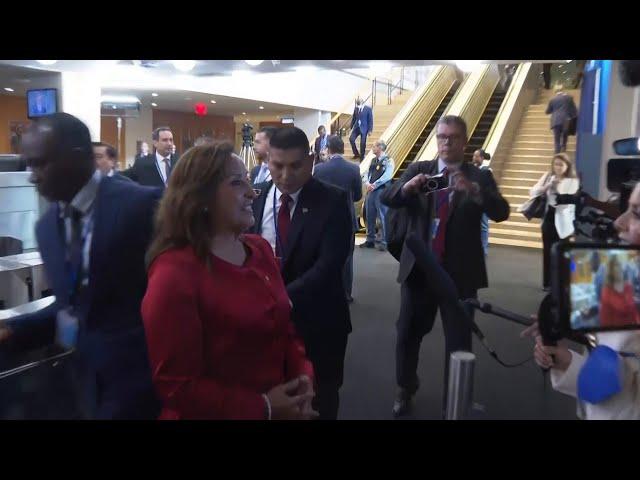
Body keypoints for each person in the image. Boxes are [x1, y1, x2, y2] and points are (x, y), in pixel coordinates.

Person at [0, 113, 161, 419]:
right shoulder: (47, 228)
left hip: (146, 383)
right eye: (28, 164)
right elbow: (75, 307)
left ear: (77, 157)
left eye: (40, 163)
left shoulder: (140, 205)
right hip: (86, 387)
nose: (32, 175)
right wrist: (12, 330)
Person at [141, 143, 316, 420]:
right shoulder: (173, 274)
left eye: (248, 180)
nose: (251, 192)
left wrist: (302, 377)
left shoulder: (259, 250)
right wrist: (264, 408)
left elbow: (284, 328)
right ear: (200, 197)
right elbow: (176, 384)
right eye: (237, 183)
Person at [381, 115, 510, 418]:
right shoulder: (419, 170)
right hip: (420, 272)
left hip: (460, 276)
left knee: (459, 341)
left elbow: (501, 211)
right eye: (441, 137)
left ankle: (454, 400)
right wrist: (407, 189)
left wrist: (476, 192)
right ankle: (405, 388)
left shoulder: (479, 176)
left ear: (464, 141)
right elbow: (388, 197)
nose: (445, 142)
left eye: (452, 137)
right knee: (408, 334)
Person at [250, 127, 352, 420]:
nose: (285, 174)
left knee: (318, 403)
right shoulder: (256, 199)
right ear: (268, 160)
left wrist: (280, 299)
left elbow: (330, 264)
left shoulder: (332, 201)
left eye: (295, 166)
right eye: (277, 165)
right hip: (265, 326)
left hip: (318, 324)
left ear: (309, 162)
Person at [522, 182, 640, 420]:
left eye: (637, 213)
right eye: (627, 208)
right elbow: (607, 363)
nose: (619, 222)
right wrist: (565, 356)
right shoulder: (622, 272)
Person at [313, 135, 362, 303]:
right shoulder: (354, 169)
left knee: (323, 256)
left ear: (329, 149)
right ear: (343, 149)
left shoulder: (319, 169)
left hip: (323, 220)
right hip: (347, 219)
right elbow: (358, 196)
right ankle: (346, 293)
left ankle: (325, 291)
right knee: (347, 258)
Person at [529, 153, 580, 291]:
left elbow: (567, 199)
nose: (557, 167)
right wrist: (547, 186)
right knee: (548, 252)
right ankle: (548, 283)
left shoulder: (572, 180)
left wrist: (558, 186)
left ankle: (562, 283)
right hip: (548, 219)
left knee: (562, 253)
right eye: (555, 164)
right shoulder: (548, 177)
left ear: (567, 166)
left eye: (561, 165)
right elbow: (532, 191)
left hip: (564, 221)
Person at [361, 140, 395, 252]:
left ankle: (385, 241)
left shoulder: (389, 160)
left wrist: (375, 185)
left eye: (374, 146)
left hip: (381, 191)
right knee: (369, 215)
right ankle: (370, 239)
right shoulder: (372, 160)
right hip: (371, 191)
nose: (372, 147)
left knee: (383, 216)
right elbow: (366, 174)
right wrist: (367, 183)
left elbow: (388, 176)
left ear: (380, 148)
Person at [599, 255, 640, 328]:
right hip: (616, 332)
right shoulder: (607, 291)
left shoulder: (628, 287)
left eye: (620, 264)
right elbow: (605, 320)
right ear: (611, 270)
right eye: (617, 265)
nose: (620, 267)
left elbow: (634, 311)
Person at [546, 86, 578, 154]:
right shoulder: (568, 98)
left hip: (555, 120)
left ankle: (557, 152)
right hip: (566, 120)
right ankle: (564, 147)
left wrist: (553, 111)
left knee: (557, 138)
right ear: (562, 90)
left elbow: (548, 111)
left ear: (555, 91)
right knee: (565, 134)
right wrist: (574, 117)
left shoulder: (552, 99)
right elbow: (574, 110)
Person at [472, 149, 492, 256]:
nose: (474, 158)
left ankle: (483, 249)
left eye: (476, 156)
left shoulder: (487, 170)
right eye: (474, 156)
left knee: (483, 226)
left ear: (482, 158)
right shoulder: (472, 169)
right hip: (472, 202)